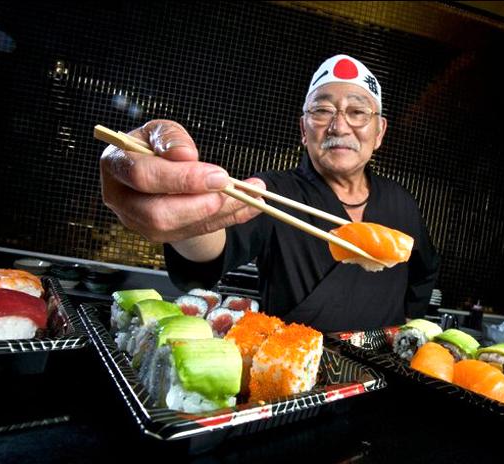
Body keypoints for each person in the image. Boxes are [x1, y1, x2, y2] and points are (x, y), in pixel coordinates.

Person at [100, 54, 439, 332]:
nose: (339, 125)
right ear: (303, 130)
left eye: (357, 112)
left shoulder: (401, 202)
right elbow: (212, 243)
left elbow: (424, 273)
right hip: (296, 379)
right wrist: (182, 210)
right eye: (322, 110)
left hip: (387, 376)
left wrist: (409, 325)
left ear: (379, 132)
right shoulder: (271, 192)